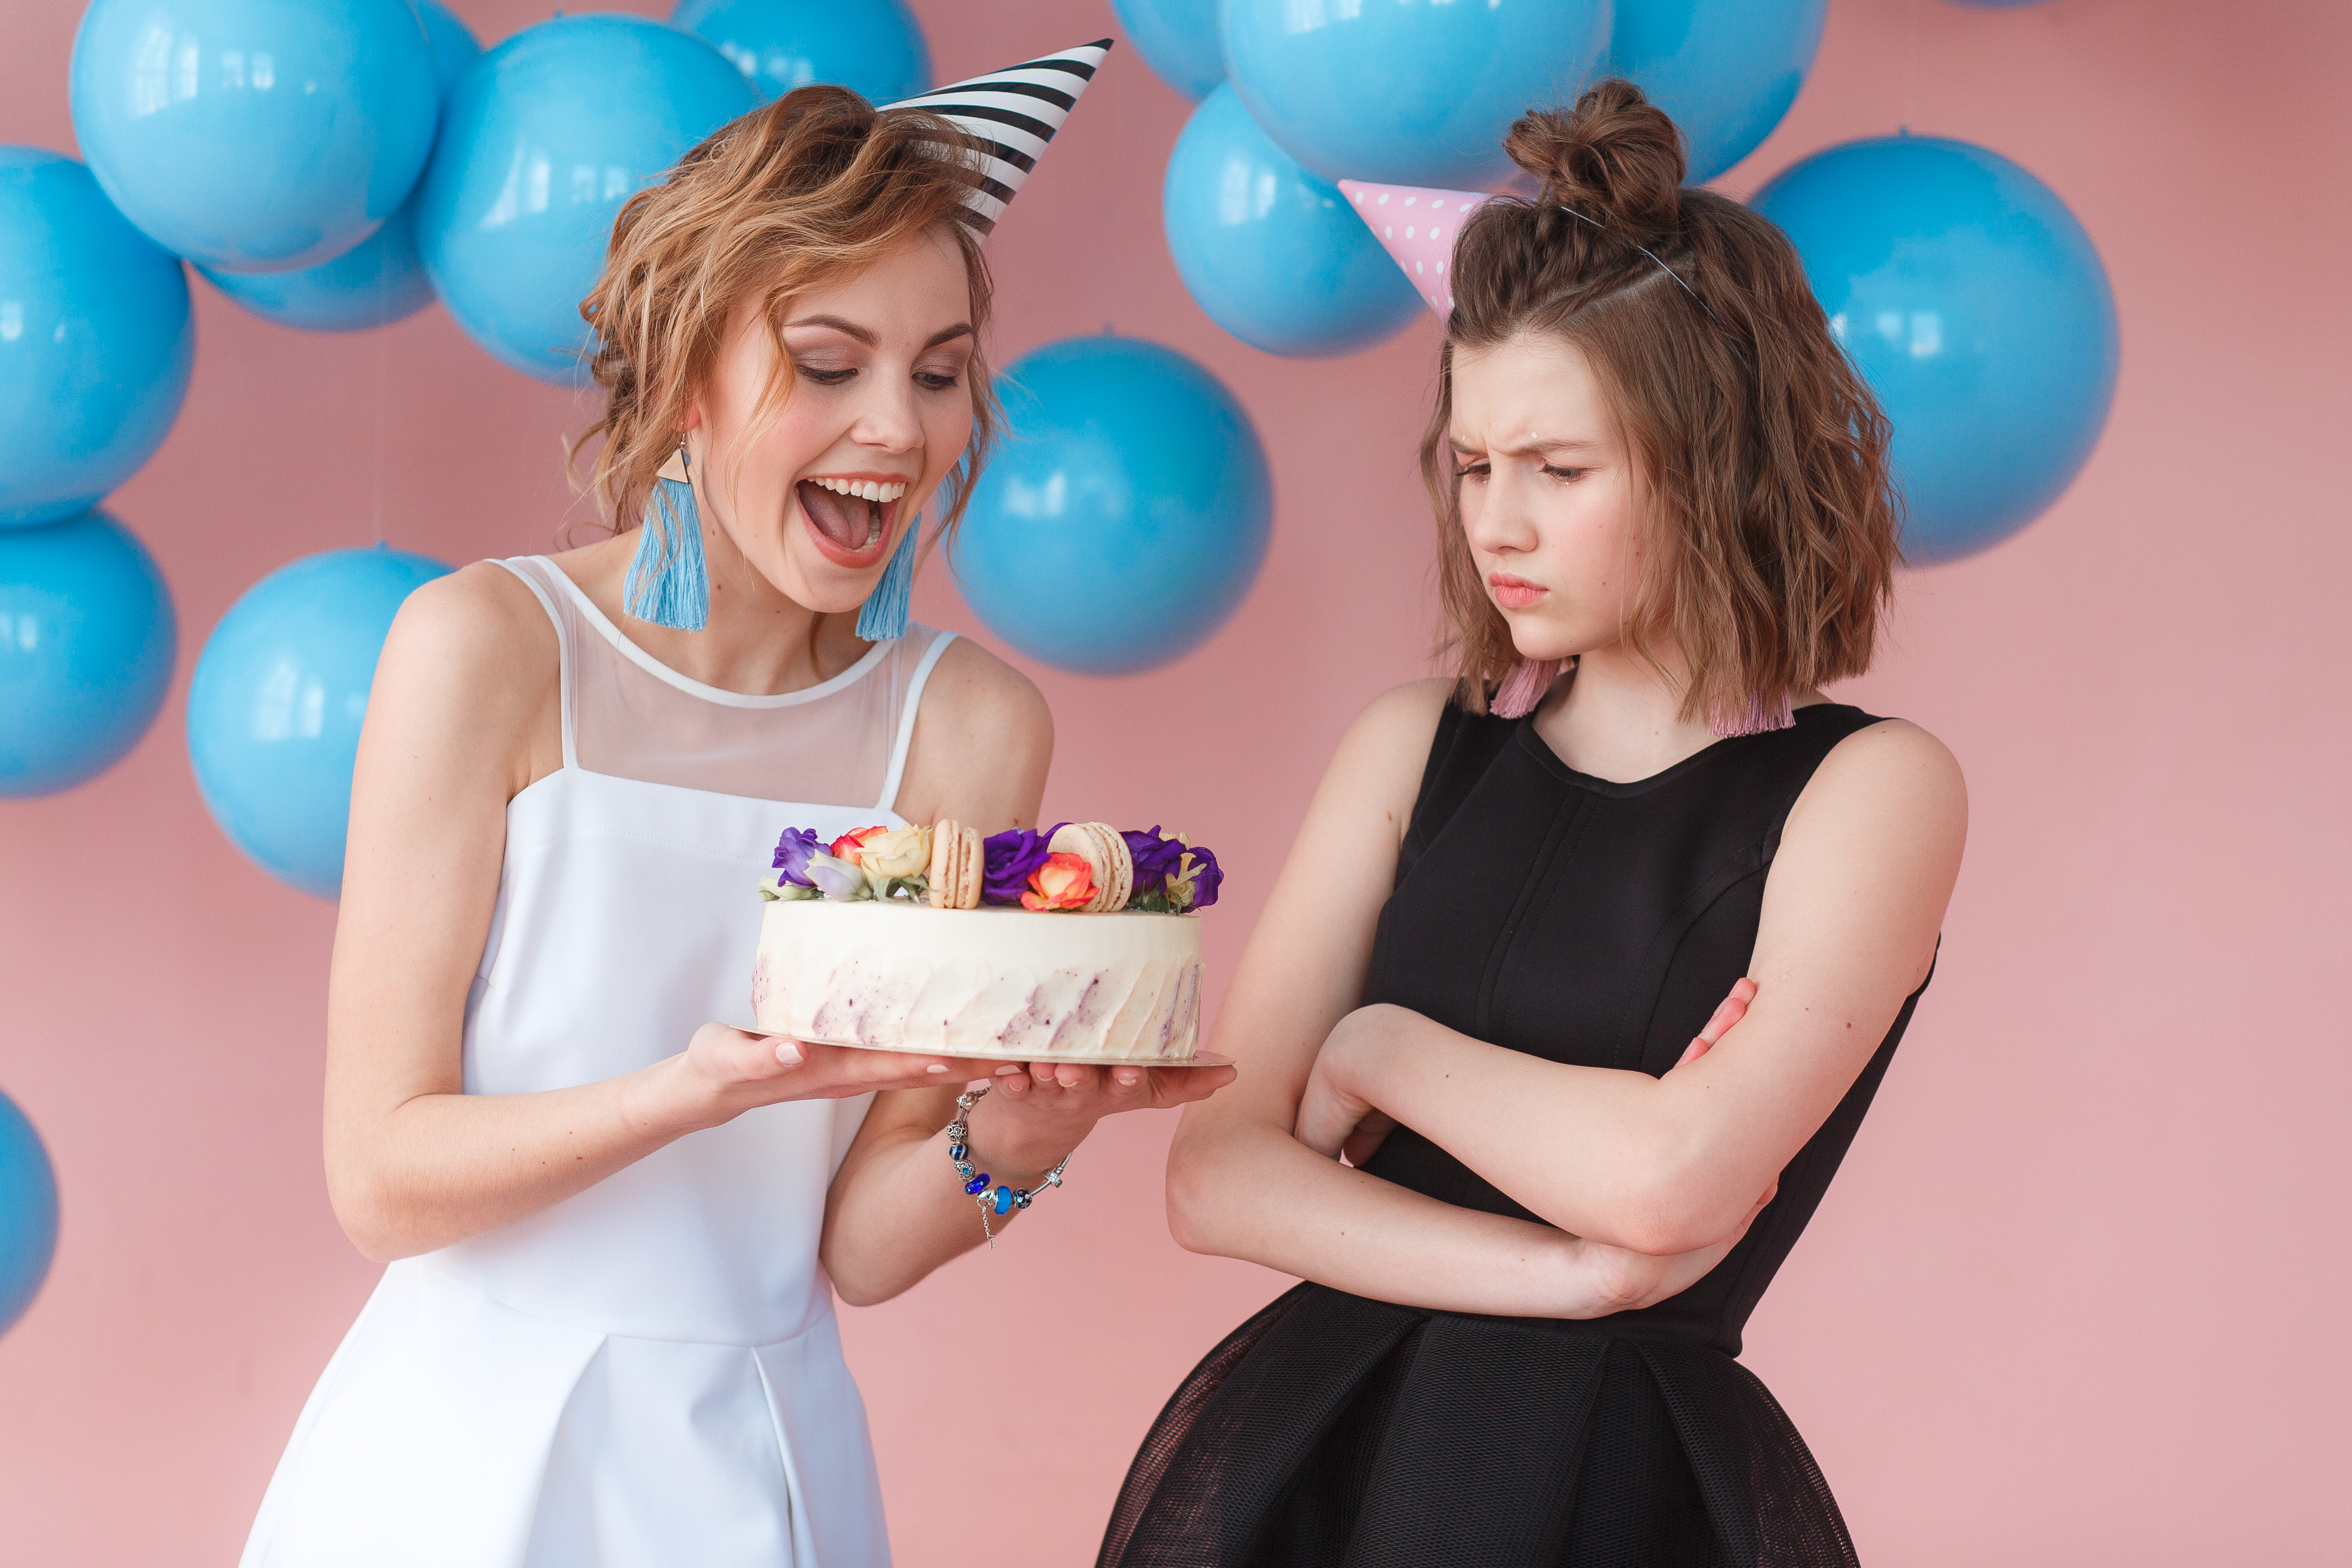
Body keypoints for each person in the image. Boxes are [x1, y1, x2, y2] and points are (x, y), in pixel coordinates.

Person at [240, 74, 1227, 1568]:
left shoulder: (967, 724)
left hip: (761, 1468)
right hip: (453, 1464)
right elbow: (381, 1180)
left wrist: (1020, 1137)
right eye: (828, 365)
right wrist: (697, 1091)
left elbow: (852, 1248)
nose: (897, 430)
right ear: (687, 381)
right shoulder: (488, 648)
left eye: (941, 373)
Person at [1100, 81, 1966, 1567]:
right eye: (1477, 465)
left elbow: (1674, 1181)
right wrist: (1569, 1274)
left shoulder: (1872, 788)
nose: (1497, 522)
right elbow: (1216, 1173)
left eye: (1559, 473)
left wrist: (1383, 1052)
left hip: (1616, 1488)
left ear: (1716, 461)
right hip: (1316, 1455)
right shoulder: (1411, 746)